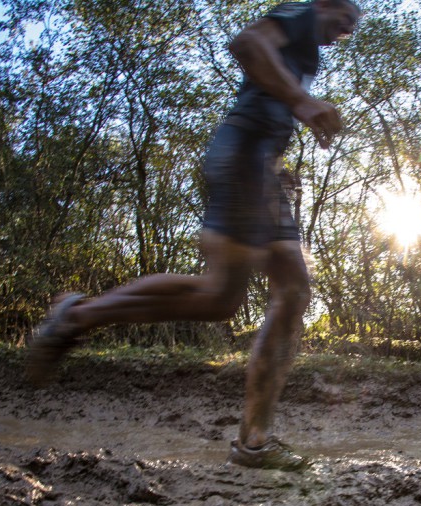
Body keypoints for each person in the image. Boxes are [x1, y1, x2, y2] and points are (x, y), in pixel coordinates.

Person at [25, 0, 362, 470]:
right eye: (343, 20)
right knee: (234, 294)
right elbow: (247, 44)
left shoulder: (307, 45)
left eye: (351, 30)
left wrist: (277, 165)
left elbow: (262, 98)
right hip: (244, 155)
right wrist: (301, 101)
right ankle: (77, 316)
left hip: (258, 163)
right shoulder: (298, 15)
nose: (344, 32)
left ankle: (254, 440)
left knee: (262, 293)